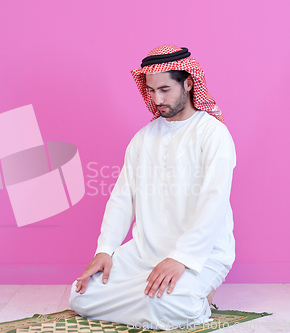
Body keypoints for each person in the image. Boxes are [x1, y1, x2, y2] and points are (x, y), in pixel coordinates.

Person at [69, 45, 236, 331]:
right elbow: (122, 199)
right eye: (151, 91)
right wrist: (105, 250)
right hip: (144, 253)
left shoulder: (213, 134)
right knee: (81, 295)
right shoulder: (143, 139)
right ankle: (158, 298)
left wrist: (180, 258)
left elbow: (214, 202)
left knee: (166, 305)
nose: (157, 99)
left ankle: (197, 298)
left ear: (189, 82)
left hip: (201, 254)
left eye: (165, 89)